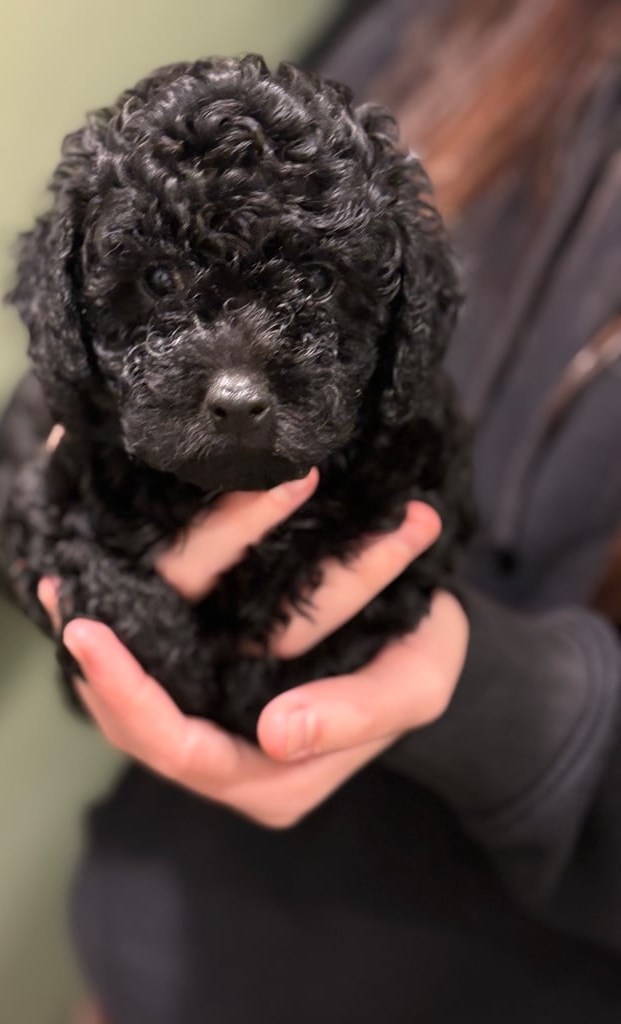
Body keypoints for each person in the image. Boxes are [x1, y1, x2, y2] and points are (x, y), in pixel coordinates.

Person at [40, 1, 621, 1020]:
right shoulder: (463, 19)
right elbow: (118, 301)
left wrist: (490, 695)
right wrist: (94, 536)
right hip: (153, 945)